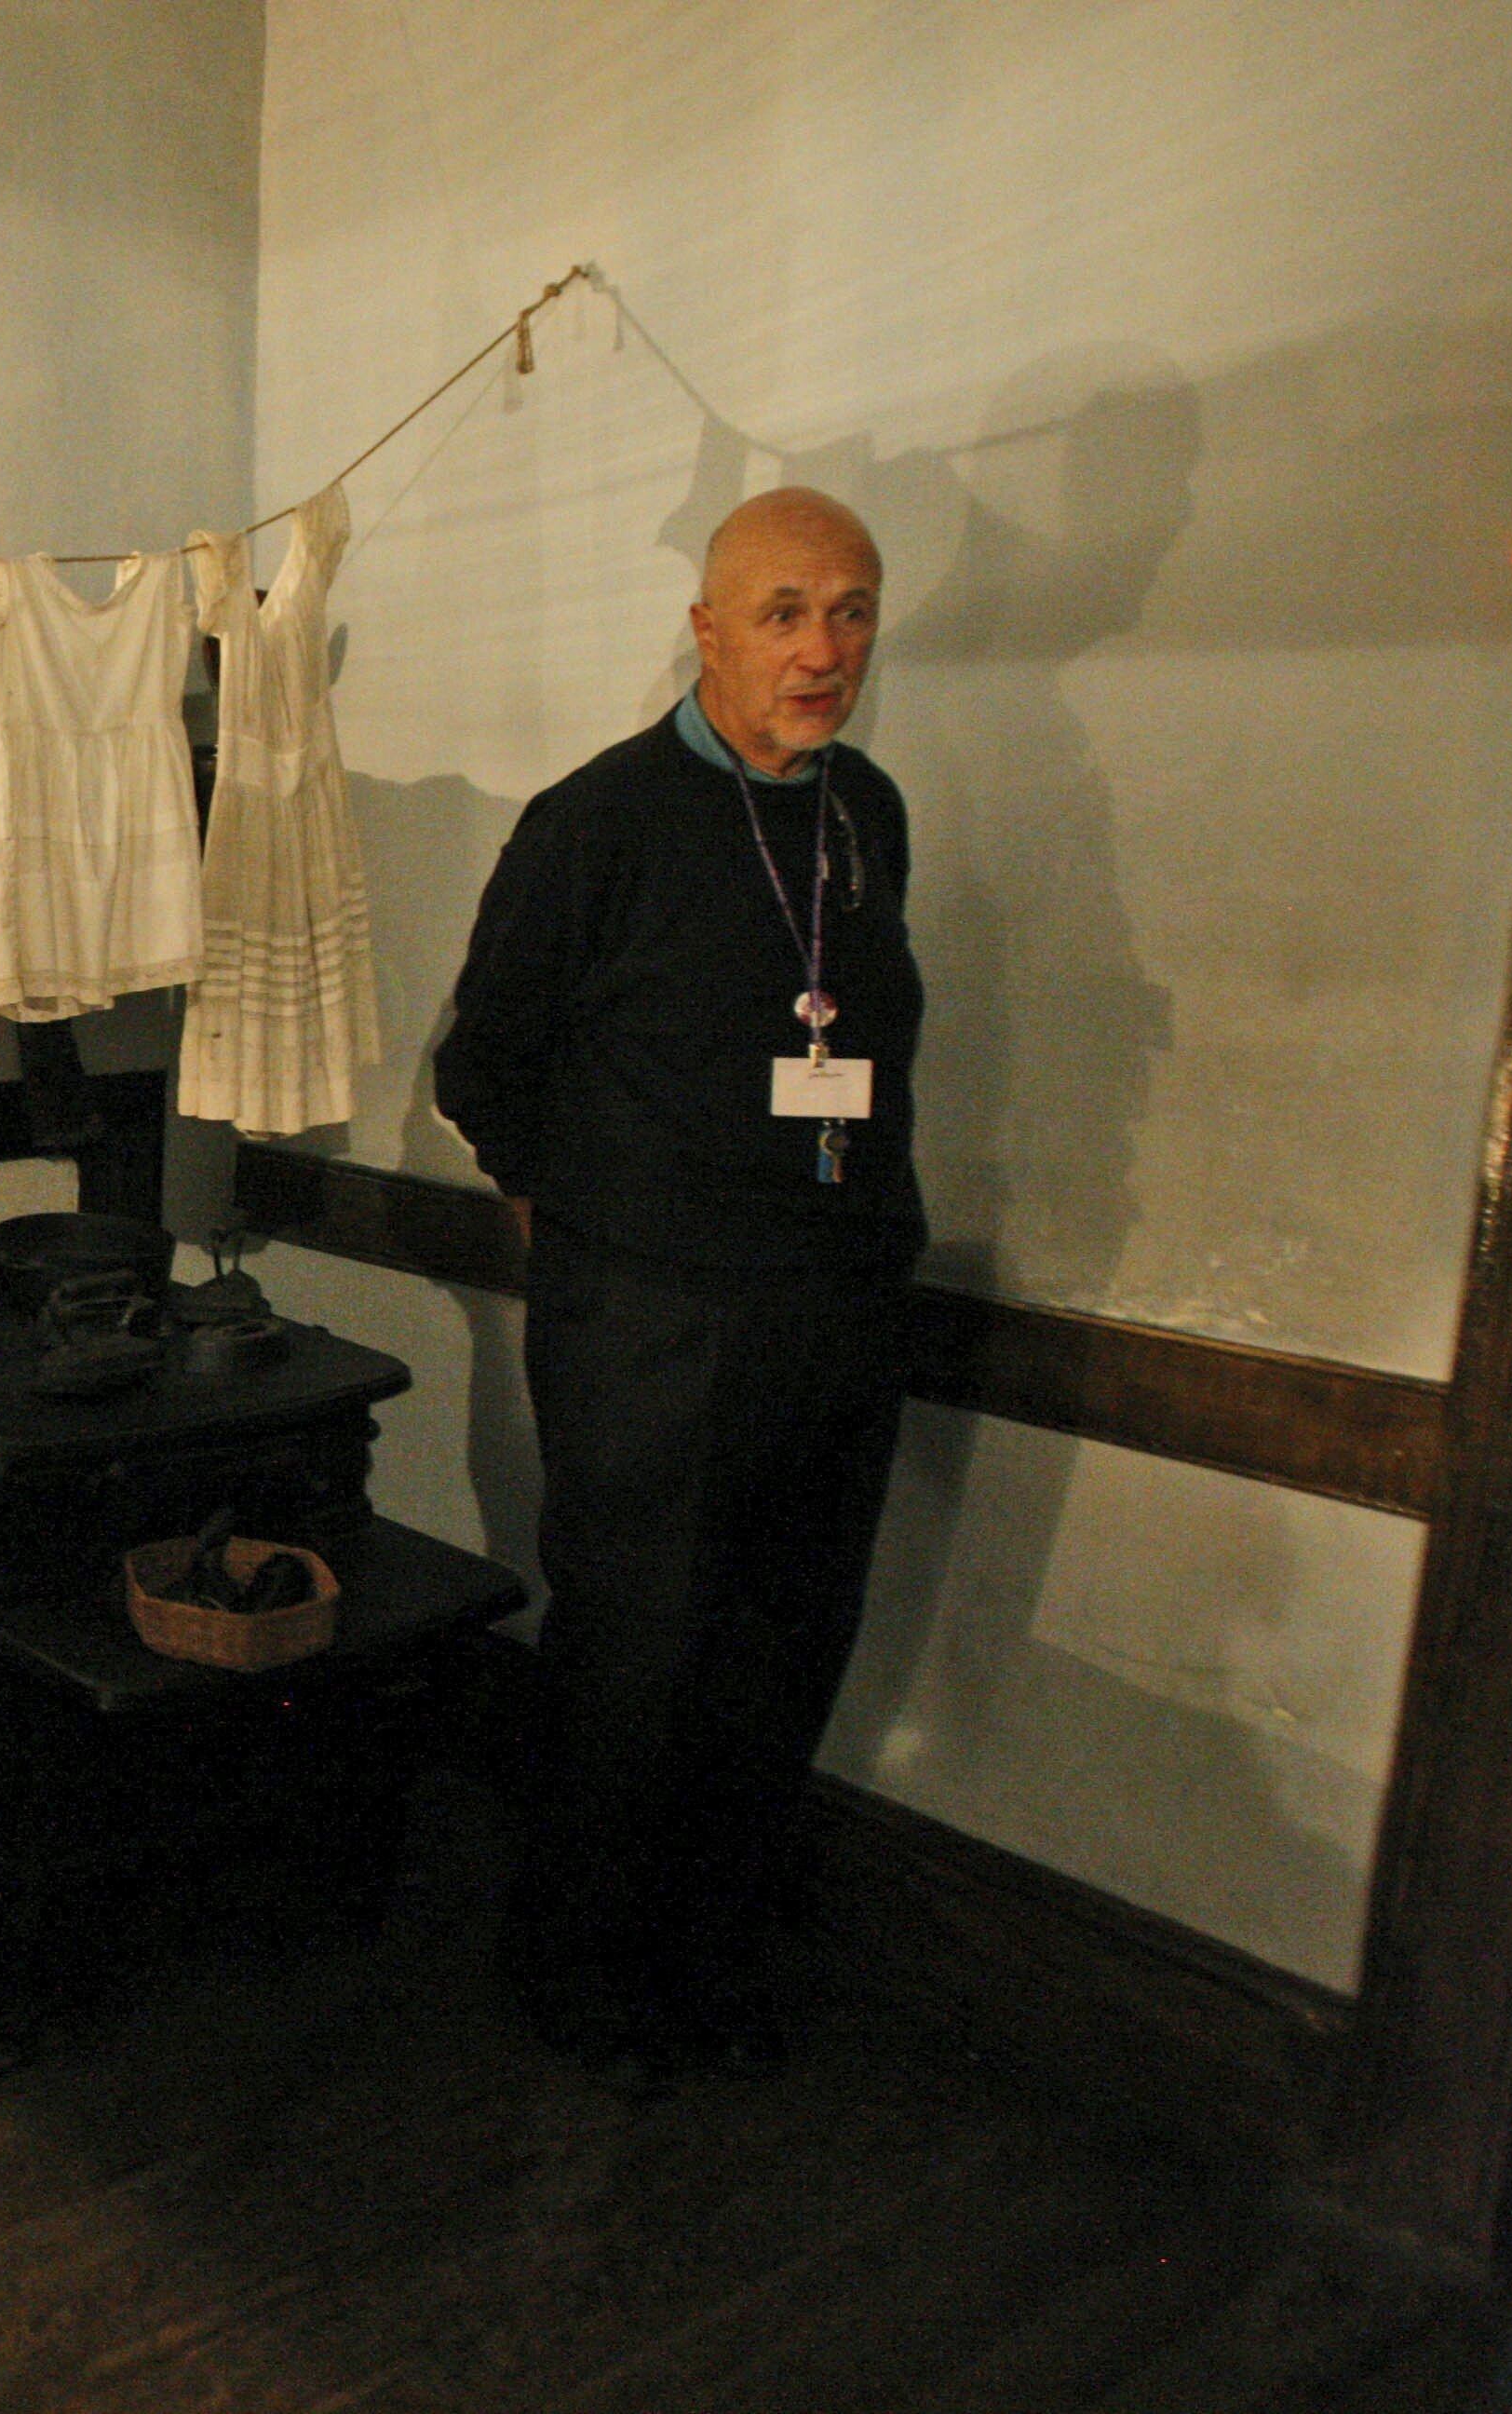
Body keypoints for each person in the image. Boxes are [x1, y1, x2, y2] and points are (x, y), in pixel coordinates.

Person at [431, 486, 925, 2076]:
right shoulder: (600, 820)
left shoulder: (868, 813)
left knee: (789, 1645)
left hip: (837, 1305)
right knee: (641, 1655)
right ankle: (585, 1983)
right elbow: (485, 1061)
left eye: (850, 610)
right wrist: (571, 1224)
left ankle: (712, 1957)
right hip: (655, 1318)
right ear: (705, 632)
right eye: (783, 613)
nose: (822, 648)